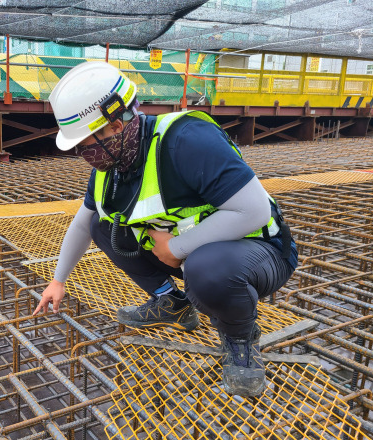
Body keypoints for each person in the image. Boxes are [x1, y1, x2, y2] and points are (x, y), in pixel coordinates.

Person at [33, 61, 298, 397]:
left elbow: (254, 210)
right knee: (104, 224)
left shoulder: (186, 140)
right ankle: (172, 302)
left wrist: (177, 248)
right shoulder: (112, 164)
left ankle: (241, 339)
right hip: (190, 252)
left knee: (207, 271)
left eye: (86, 143)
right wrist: (58, 280)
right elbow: (84, 222)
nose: (83, 154)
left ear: (115, 125)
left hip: (259, 254)